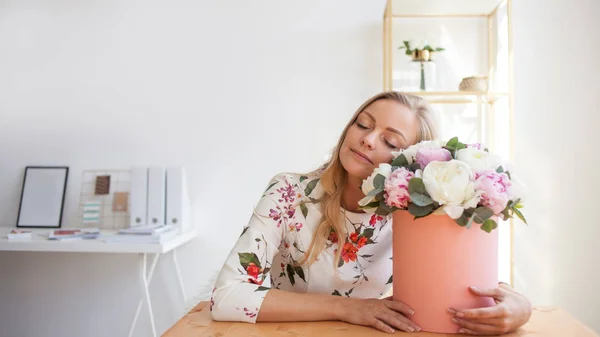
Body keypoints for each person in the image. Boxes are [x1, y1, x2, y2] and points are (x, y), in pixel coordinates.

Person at [210, 91, 532, 334]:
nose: (367, 139)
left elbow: (458, 281)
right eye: (363, 124)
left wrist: (519, 308)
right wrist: (347, 309)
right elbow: (227, 296)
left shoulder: (413, 215)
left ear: (411, 163)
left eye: (390, 142)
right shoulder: (287, 193)